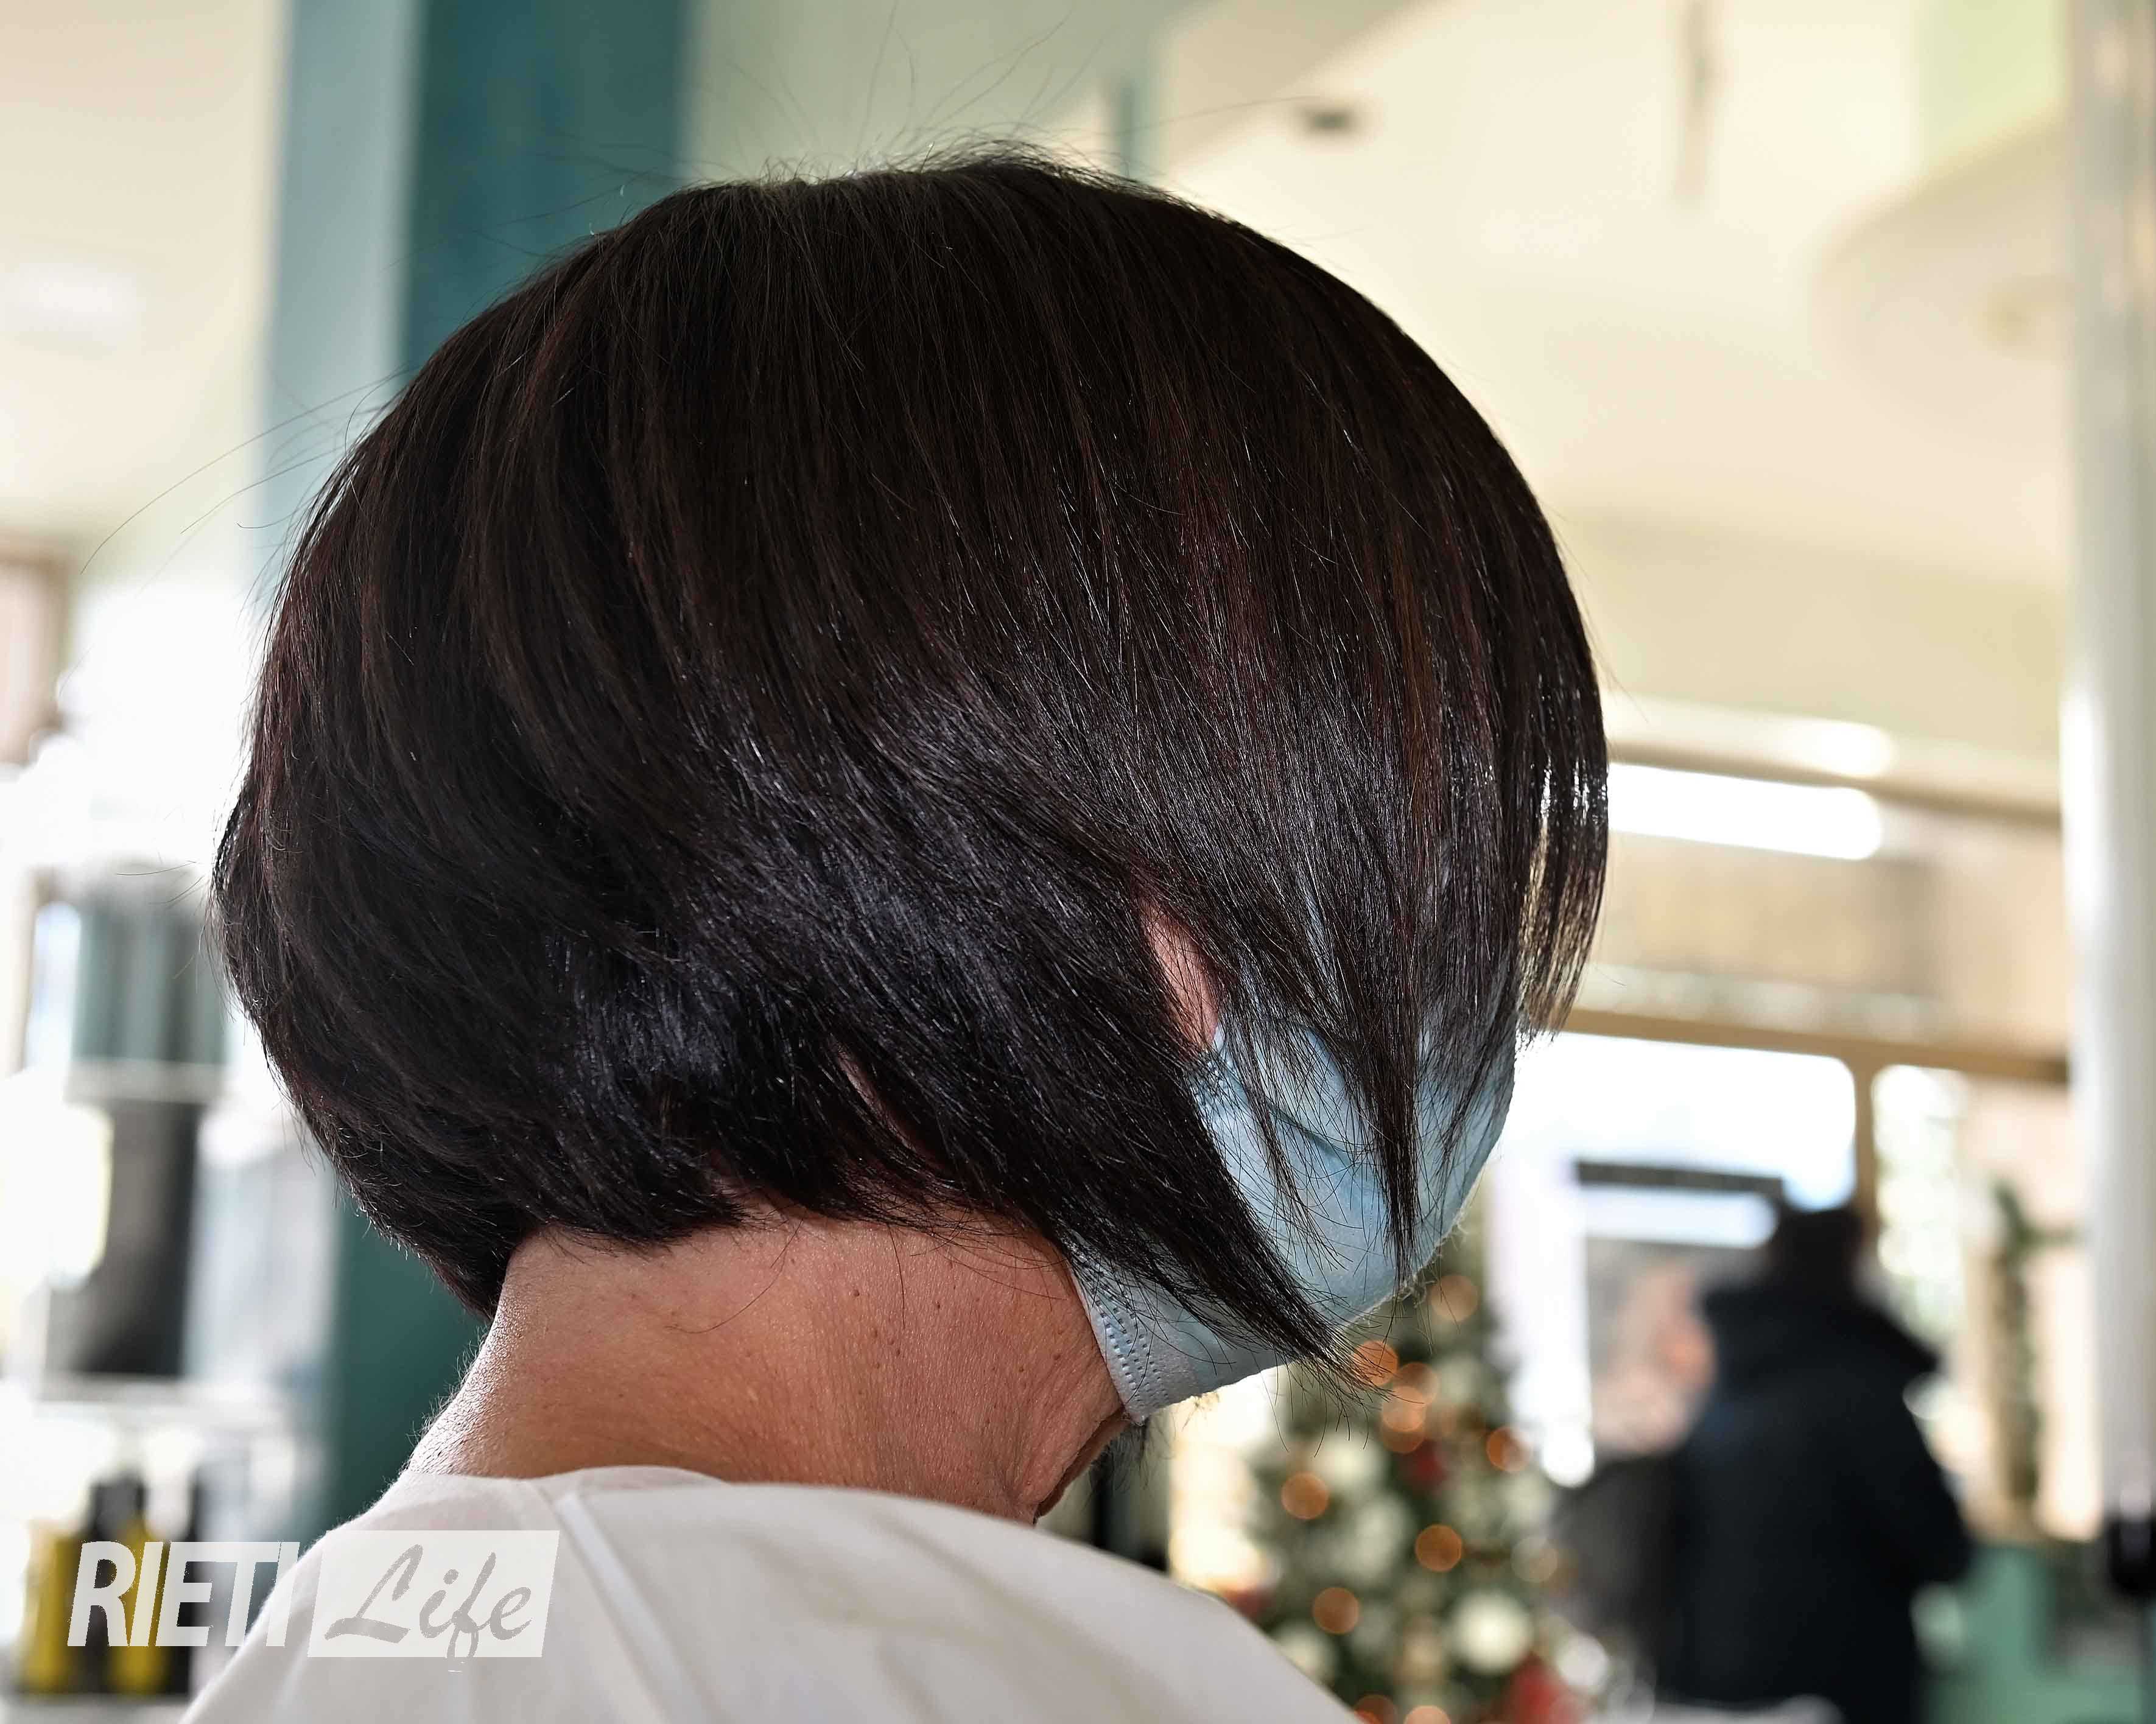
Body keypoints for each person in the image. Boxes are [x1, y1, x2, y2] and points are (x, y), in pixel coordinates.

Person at [186, 153, 1607, 1722]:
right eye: (1418, 875)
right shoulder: (1035, 1690)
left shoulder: (348, 1649)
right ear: (1163, 912)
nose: (1449, 998)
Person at [1658, 1206, 1973, 1724]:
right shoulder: (1858, 1386)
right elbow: (1943, 1550)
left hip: (1721, 1684)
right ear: (1850, 1263)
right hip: (1848, 1683)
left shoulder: (1730, 1384)